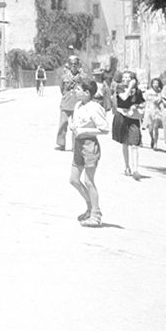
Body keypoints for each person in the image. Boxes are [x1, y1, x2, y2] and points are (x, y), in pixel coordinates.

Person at [68, 77, 110, 227]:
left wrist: (84, 131)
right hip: (78, 144)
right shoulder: (78, 105)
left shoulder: (95, 108)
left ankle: (96, 215)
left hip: (90, 146)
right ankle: (90, 207)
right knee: (74, 179)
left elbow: (104, 129)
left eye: (78, 89)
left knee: (89, 181)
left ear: (87, 93)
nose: (75, 91)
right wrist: (73, 126)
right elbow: (75, 121)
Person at [111, 70, 145, 180]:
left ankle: (135, 169)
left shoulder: (138, 91)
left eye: (128, 78)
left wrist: (135, 106)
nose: (125, 79)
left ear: (133, 79)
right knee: (125, 143)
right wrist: (130, 87)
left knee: (135, 144)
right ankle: (127, 167)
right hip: (122, 116)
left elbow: (142, 103)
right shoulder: (120, 88)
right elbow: (124, 97)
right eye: (124, 77)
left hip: (133, 118)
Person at [55, 55, 83, 151]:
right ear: (69, 65)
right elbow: (62, 89)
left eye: (75, 64)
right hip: (66, 102)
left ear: (78, 65)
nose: (73, 66)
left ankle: (75, 146)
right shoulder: (64, 76)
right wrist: (66, 96)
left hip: (77, 103)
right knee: (63, 123)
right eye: (72, 64)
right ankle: (61, 143)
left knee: (76, 125)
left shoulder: (81, 76)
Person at [143, 77, 165, 150]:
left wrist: (159, 100)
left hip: (156, 110)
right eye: (154, 83)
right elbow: (144, 101)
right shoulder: (148, 92)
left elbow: (161, 100)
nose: (155, 84)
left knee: (156, 127)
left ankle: (155, 143)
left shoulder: (160, 92)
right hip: (149, 110)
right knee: (150, 128)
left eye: (157, 83)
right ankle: (152, 138)